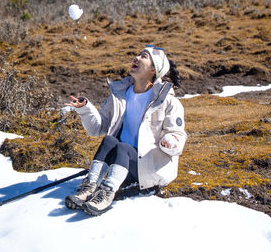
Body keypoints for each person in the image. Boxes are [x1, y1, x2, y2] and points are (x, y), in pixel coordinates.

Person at [64, 45, 186, 216]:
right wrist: (85, 108)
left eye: (143, 56)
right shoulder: (120, 95)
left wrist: (170, 141)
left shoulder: (168, 102)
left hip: (149, 167)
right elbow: (97, 128)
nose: (136, 58)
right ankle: (89, 187)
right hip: (121, 166)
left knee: (123, 147)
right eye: (137, 54)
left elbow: (178, 135)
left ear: (153, 69)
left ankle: (107, 193)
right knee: (109, 141)